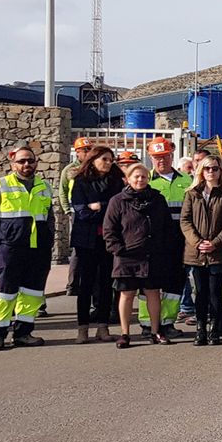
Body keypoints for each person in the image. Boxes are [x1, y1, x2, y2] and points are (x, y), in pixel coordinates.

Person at [0, 144, 54, 351]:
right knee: (6, 292)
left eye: (30, 160)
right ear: (13, 164)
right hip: (10, 248)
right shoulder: (0, 185)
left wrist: (48, 240)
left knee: (32, 293)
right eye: (21, 161)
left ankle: (23, 333)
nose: (26, 164)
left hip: (38, 249)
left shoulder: (44, 186)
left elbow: (49, 217)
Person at [102, 163, 181, 348]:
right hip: (126, 256)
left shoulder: (157, 199)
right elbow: (109, 229)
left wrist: (164, 248)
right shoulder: (117, 201)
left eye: (143, 177)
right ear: (127, 179)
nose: (140, 180)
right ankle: (125, 333)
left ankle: (156, 332)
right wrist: (118, 249)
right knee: (127, 295)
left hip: (152, 255)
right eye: (136, 176)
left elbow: (167, 227)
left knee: (153, 293)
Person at [69, 146, 123, 343]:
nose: (109, 163)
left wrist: (100, 206)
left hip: (108, 240)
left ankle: (103, 327)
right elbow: (81, 211)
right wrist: (102, 208)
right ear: (93, 160)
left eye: (111, 159)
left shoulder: (116, 181)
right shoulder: (80, 182)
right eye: (104, 159)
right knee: (86, 285)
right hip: (86, 240)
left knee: (106, 284)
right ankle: (82, 328)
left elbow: (118, 209)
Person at [181, 156, 222, 346]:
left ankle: (214, 329)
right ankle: (200, 329)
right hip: (196, 254)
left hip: (218, 253)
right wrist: (198, 243)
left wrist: (215, 243)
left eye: (214, 169)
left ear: (221, 171)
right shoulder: (192, 194)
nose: (211, 172)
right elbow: (185, 221)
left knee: (215, 293)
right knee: (200, 293)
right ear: (201, 172)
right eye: (207, 169)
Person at [144, 137, 192, 335]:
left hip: (180, 240)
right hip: (154, 241)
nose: (161, 161)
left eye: (164, 156)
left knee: (175, 282)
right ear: (150, 158)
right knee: (150, 284)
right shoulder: (145, 180)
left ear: (172, 156)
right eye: (156, 157)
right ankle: (147, 324)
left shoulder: (186, 180)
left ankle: (167, 322)